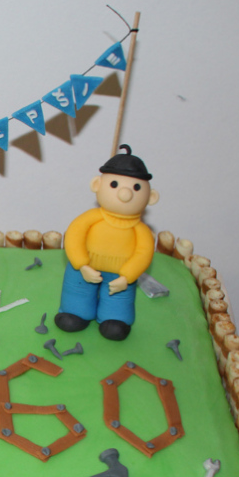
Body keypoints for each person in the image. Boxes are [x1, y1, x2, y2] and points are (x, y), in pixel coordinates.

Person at [55, 144, 159, 341]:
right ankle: (76, 312)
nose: (125, 194)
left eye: (136, 188)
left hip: (119, 276)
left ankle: (115, 319)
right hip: (83, 270)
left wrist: (127, 277)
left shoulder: (141, 231)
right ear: (97, 184)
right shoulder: (89, 218)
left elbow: (143, 254)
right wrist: (82, 265)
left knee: (118, 305)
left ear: (151, 197)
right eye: (115, 184)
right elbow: (73, 237)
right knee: (77, 294)